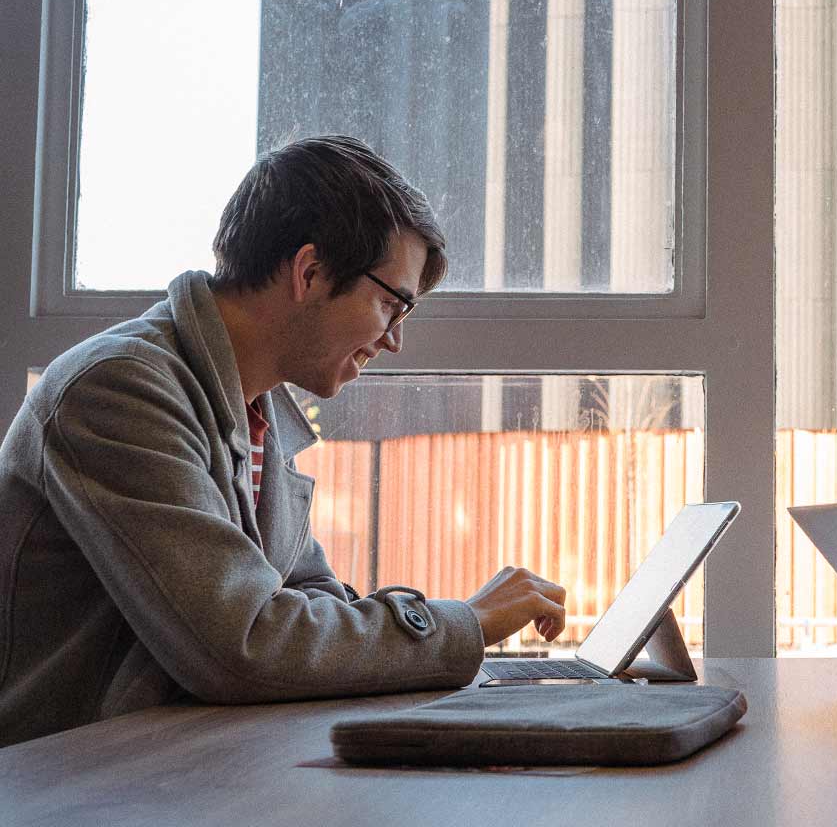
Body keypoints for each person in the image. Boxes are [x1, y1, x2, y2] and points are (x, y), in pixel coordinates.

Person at [0, 136, 566, 746]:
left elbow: (309, 598)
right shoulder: (118, 389)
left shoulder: (256, 410)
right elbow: (244, 643)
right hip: (68, 786)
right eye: (390, 304)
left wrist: (426, 635)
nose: (393, 341)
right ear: (310, 271)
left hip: (169, 768)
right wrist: (466, 623)